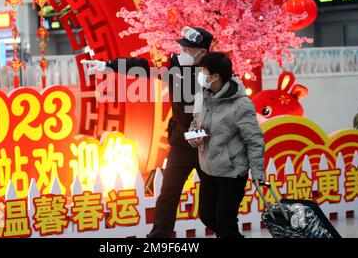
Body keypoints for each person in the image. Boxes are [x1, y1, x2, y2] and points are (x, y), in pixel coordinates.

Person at [84, 27, 213, 238]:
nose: (182, 52)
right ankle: (158, 238)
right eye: (182, 47)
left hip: (208, 144)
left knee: (215, 196)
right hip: (182, 142)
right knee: (168, 194)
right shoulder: (174, 66)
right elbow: (143, 67)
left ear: (203, 52)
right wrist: (108, 66)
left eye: (189, 49)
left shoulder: (216, 72)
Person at [187, 52, 266, 238]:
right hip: (208, 169)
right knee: (207, 216)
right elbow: (193, 124)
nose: (200, 75)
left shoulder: (241, 104)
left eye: (203, 72)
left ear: (215, 76)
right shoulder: (202, 96)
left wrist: (257, 172)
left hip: (232, 172)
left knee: (225, 221)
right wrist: (194, 137)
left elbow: (254, 140)